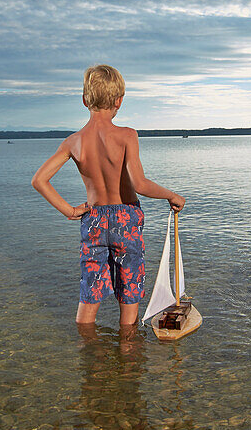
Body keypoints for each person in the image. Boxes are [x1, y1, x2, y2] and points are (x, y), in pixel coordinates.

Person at [31, 64, 185, 328]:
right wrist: (172, 196)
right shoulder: (126, 135)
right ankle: (127, 353)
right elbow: (140, 184)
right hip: (125, 217)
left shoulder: (74, 141)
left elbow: (39, 180)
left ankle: (88, 356)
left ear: (84, 100)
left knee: (90, 291)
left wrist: (69, 210)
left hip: (93, 220)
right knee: (130, 289)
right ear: (119, 101)